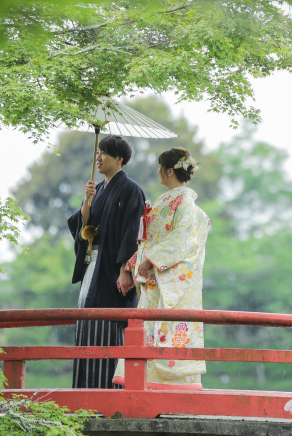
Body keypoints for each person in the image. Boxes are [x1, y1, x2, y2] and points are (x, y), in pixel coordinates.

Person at [113, 147, 210, 390]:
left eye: (160, 168)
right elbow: (148, 243)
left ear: (169, 171)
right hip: (157, 280)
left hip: (168, 278)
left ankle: (170, 384)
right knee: (149, 330)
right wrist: (131, 265)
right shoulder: (165, 203)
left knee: (167, 328)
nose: (158, 172)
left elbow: (182, 240)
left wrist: (151, 260)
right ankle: (147, 382)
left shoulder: (186, 205)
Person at [67, 135, 145, 389]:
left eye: (104, 153)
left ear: (119, 159)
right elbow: (84, 228)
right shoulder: (97, 189)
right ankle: (85, 390)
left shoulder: (130, 188)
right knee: (87, 322)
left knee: (109, 323)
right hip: (93, 266)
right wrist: (87, 202)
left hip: (112, 269)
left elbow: (132, 232)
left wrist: (125, 270)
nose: (98, 158)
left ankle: (108, 390)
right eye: (97, 152)